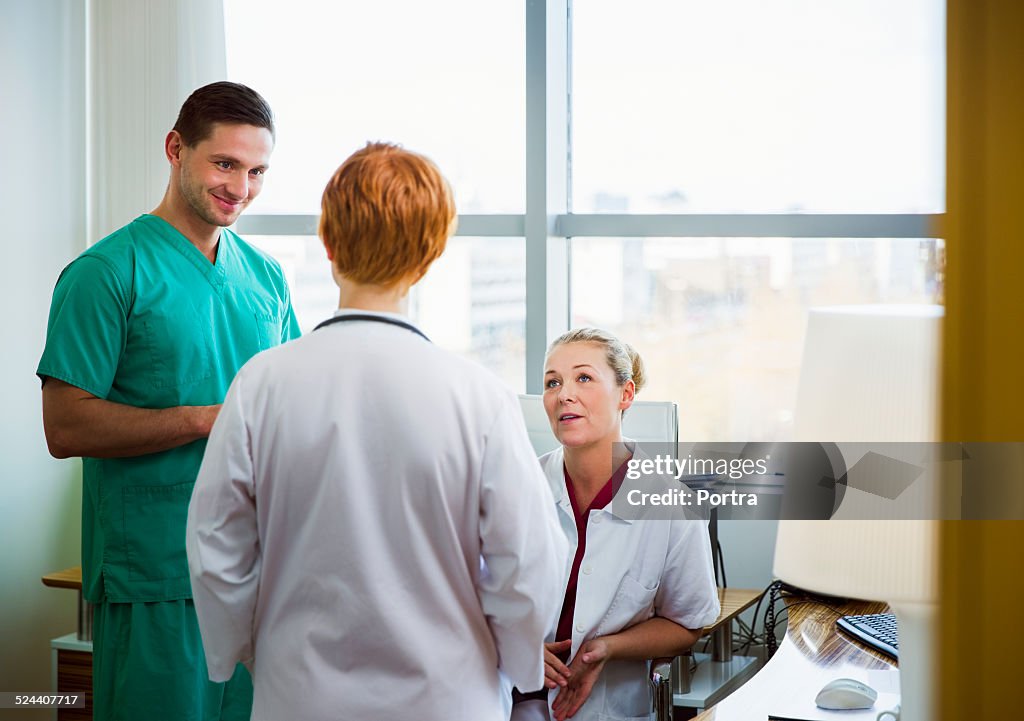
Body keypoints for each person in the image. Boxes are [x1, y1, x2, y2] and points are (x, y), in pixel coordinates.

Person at [185, 142, 569, 721]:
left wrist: (252, 651)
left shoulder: (261, 385)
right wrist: (514, 661)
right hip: (448, 698)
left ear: (328, 242)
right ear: (432, 253)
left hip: (299, 696)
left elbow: (216, 545)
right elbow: (529, 561)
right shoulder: (476, 396)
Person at [37, 81, 300, 721]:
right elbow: (65, 426)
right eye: (225, 164)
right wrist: (205, 420)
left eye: (257, 170)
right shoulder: (105, 274)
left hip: (256, 573)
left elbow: (289, 403)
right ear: (175, 149)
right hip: (155, 572)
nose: (241, 187)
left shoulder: (266, 277)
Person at [513, 328, 720, 721]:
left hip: (607, 709)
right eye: (552, 382)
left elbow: (688, 623)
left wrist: (608, 648)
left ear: (625, 395)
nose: (564, 394)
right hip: (505, 698)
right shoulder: (518, 486)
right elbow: (470, 594)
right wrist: (512, 643)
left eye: (584, 378)